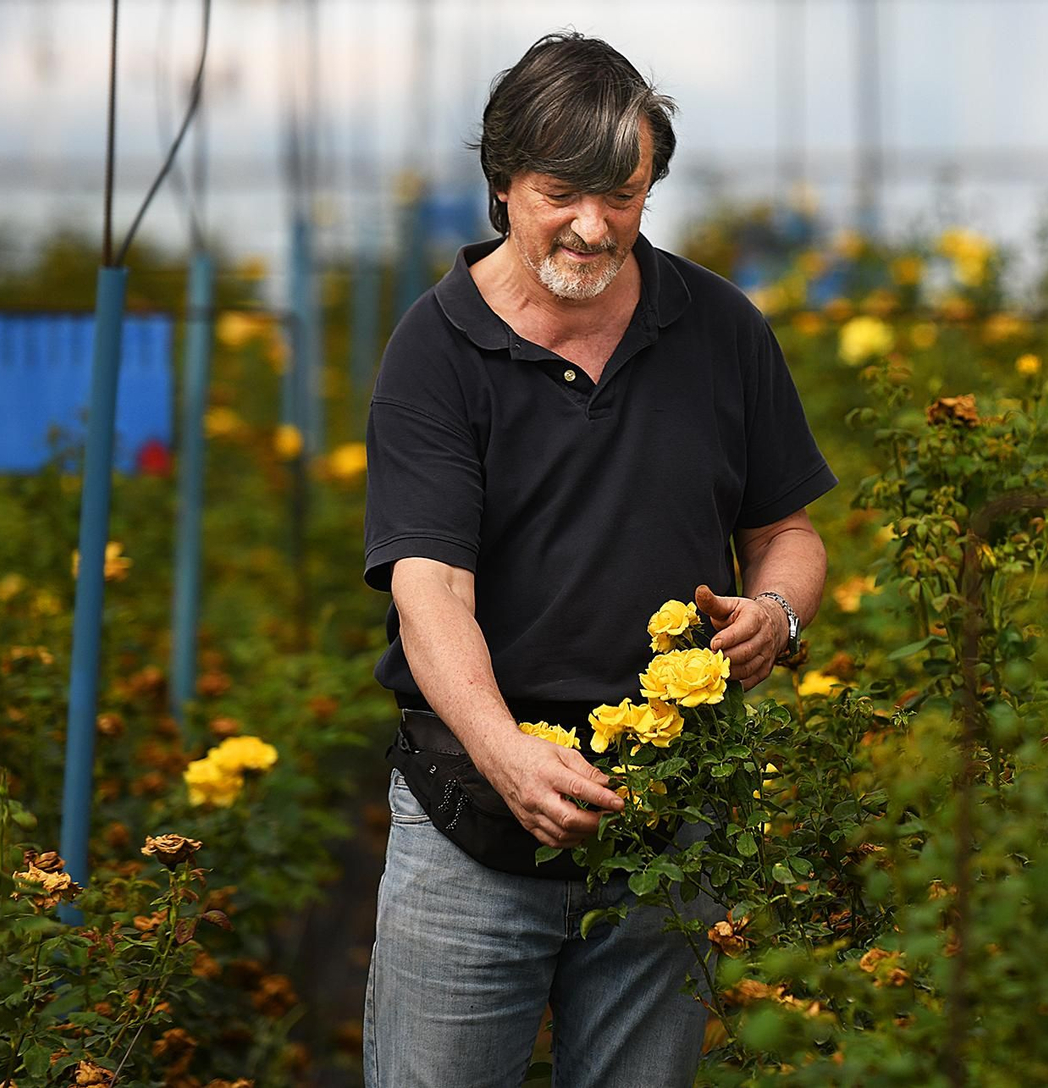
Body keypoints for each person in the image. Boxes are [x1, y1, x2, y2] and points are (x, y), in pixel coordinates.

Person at [357, 31, 835, 1088]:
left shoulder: (718, 327)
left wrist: (777, 614)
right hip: (472, 819)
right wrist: (506, 752)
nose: (593, 224)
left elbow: (786, 532)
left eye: (622, 194)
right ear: (502, 184)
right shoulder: (436, 351)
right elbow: (430, 589)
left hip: (669, 818)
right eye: (561, 192)